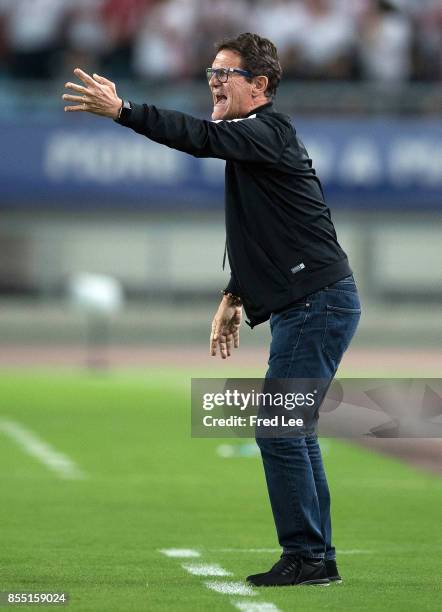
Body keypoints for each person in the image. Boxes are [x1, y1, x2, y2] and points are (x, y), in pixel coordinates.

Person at [62, 32, 361, 587]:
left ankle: (309, 556)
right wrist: (235, 293)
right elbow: (271, 231)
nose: (213, 83)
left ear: (260, 85)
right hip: (312, 301)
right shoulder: (258, 140)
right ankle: (316, 555)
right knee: (292, 427)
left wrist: (125, 110)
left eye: (225, 74)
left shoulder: (266, 130)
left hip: (317, 303)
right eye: (211, 73)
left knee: (278, 426)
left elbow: (196, 137)